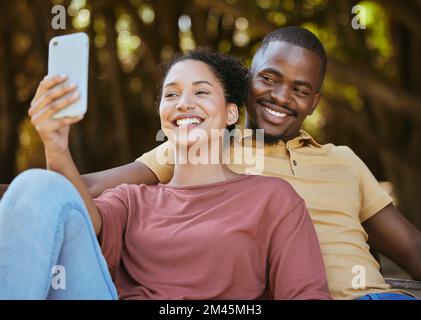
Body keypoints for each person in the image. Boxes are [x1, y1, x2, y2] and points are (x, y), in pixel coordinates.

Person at [53, 27, 421, 300]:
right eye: (268, 79)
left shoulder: (343, 160)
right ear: (246, 82)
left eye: (300, 89)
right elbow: (84, 190)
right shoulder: (204, 145)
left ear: (315, 102)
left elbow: (411, 249)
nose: (280, 96)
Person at [0, 49, 330, 300]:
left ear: (231, 112)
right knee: (37, 184)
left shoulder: (272, 198)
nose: (183, 103)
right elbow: (79, 222)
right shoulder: (132, 199)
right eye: (171, 94)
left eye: (201, 92)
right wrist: (56, 144)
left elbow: (305, 293)